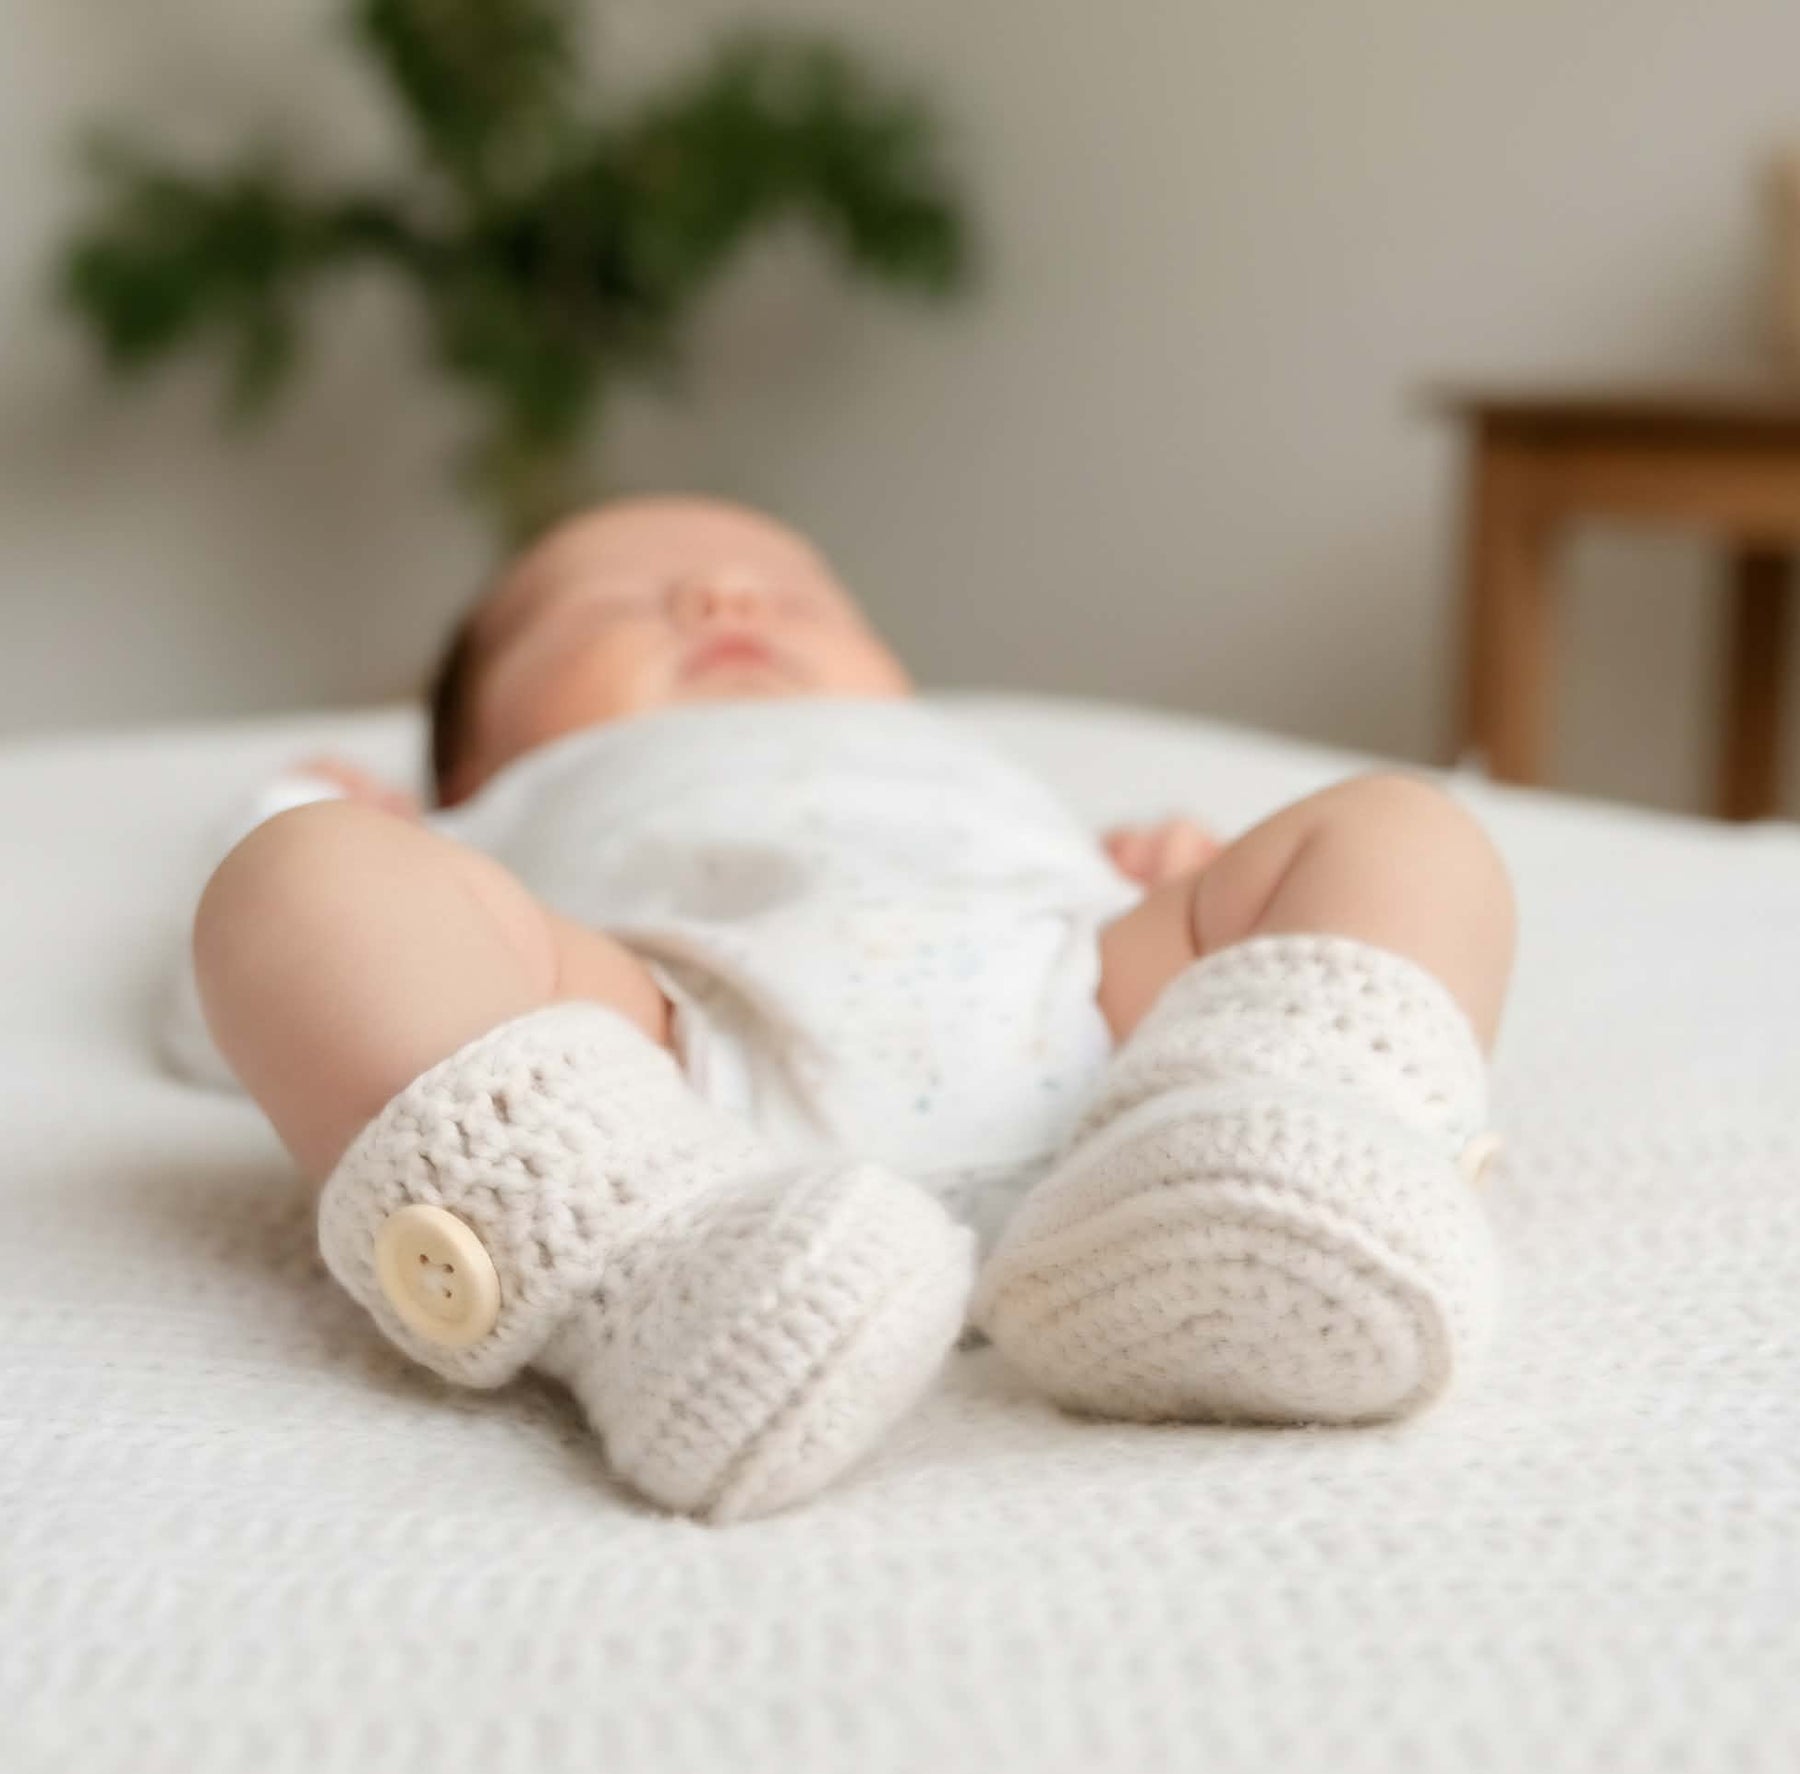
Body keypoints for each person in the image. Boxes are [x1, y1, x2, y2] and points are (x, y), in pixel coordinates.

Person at [192, 495, 1515, 1523]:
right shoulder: (495, 808)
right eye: (613, 605)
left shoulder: (958, 761)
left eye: (797, 596)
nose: (723, 596)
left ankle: (1275, 1155)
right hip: (666, 1073)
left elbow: (1167, 901)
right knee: (294, 889)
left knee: (1402, 828)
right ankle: (648, 1280)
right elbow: (237, 1031)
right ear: (470, 755)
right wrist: (328, 825)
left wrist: (1184, 887)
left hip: (1101, 1046)